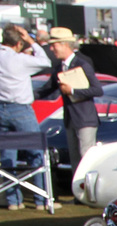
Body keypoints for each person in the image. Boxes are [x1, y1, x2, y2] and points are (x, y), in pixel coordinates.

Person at [1, 24, 52, 211]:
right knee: (35, 152)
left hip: (1, 108)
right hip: (20, 108)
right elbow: (45, 61)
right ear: (19, 42)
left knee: (7, 154)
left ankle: (13, 199)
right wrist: (32, 41)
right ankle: (41, 198)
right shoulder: (19, 59)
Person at [39, 27, 102, 176]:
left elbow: (97, 90)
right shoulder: (59, 68)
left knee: (86, 158)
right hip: (70, 119)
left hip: (85, 119)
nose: (51, 48)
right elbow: (46, 89)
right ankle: (77, 196)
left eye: (54, 45)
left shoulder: (82, 64)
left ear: (65, 45)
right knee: (75, 159)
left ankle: (88, 195)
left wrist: (72, 91)